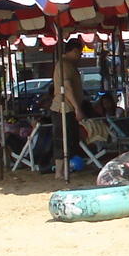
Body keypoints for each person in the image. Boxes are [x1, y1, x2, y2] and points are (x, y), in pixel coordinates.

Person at [48, 37, 86, 177]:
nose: (81, 55)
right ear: (74, 51)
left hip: (68, 108)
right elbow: (67, 87)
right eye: (80, 52)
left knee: (69, 140)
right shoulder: (65, 65)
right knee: (62, 140)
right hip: (64, 108)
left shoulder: (68, 64)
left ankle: (65, 170)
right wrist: (77, 107)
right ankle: (60, 172)